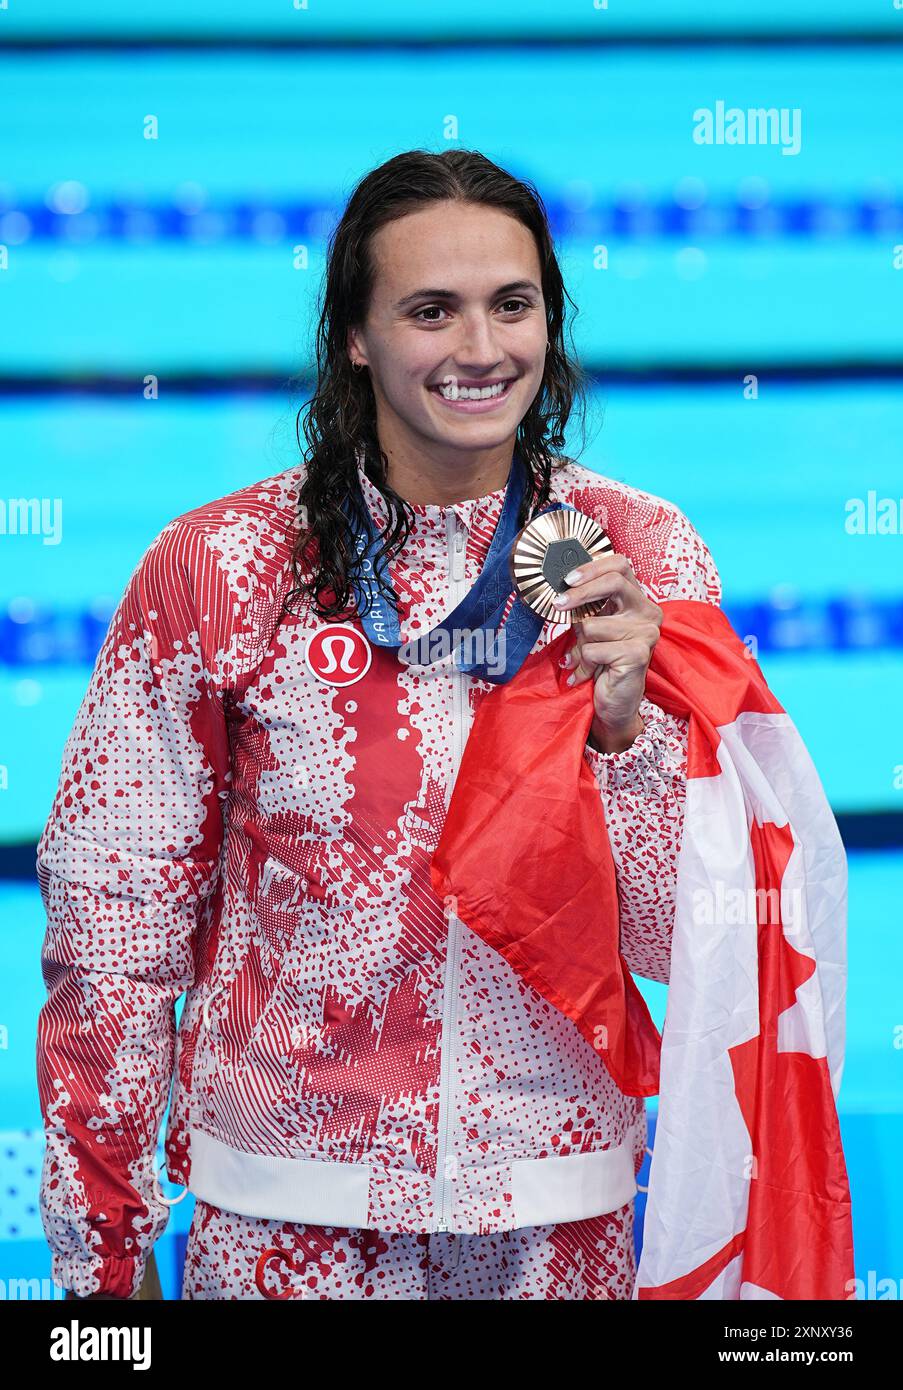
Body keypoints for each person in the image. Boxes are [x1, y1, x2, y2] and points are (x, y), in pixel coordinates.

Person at [36, 147, 721, 1302]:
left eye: (513, 305)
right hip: (286, 1225)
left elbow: (694, 951)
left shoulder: (643, 556)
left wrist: (628, 737)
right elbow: (116, 927)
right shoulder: (222, 567)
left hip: (564, 1225)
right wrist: (103, 1260)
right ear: (354, 335)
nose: (481, 349)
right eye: (429, 311)